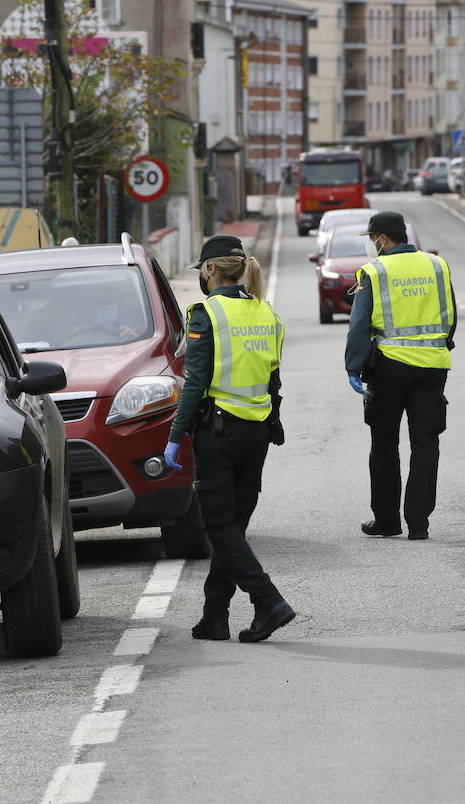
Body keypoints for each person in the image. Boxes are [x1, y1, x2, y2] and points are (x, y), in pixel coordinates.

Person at [163, 234, 295, 644]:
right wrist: (273, 421)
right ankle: (214, 616)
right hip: (256, 432)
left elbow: (196, 381)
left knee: (219, 525)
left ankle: (268, 600)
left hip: (219, 433)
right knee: (232, 525)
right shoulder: (265, 313)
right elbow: (273, 379)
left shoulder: (205, 312)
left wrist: (174, 434)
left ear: (210, 270)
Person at [345, 211, 456, 540]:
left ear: (381, 238)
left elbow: (359, 325)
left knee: (384, 442)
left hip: (389, 367)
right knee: (425, 443)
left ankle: (388, 521)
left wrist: (353, 365)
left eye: (371, 238)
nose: (370, 244)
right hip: (433, 366)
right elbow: (451, 315)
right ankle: (419, 524)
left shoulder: (373, 271)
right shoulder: (437, 265)